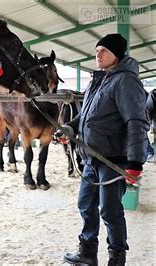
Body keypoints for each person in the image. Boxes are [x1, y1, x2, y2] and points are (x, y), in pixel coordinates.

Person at [62, 34, 149, 265]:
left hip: (113, 160)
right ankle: (88, 253)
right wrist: (69, 128)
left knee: (110, 211)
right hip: (91, 157)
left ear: (117, 55)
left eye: (104, 51)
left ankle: (117, 258)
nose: (98, 54)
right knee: (85, 205)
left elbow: (136, 121)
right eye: (97, 50)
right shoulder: (97, 80)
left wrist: (135, 163)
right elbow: (86, 115)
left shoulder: (126, 81)